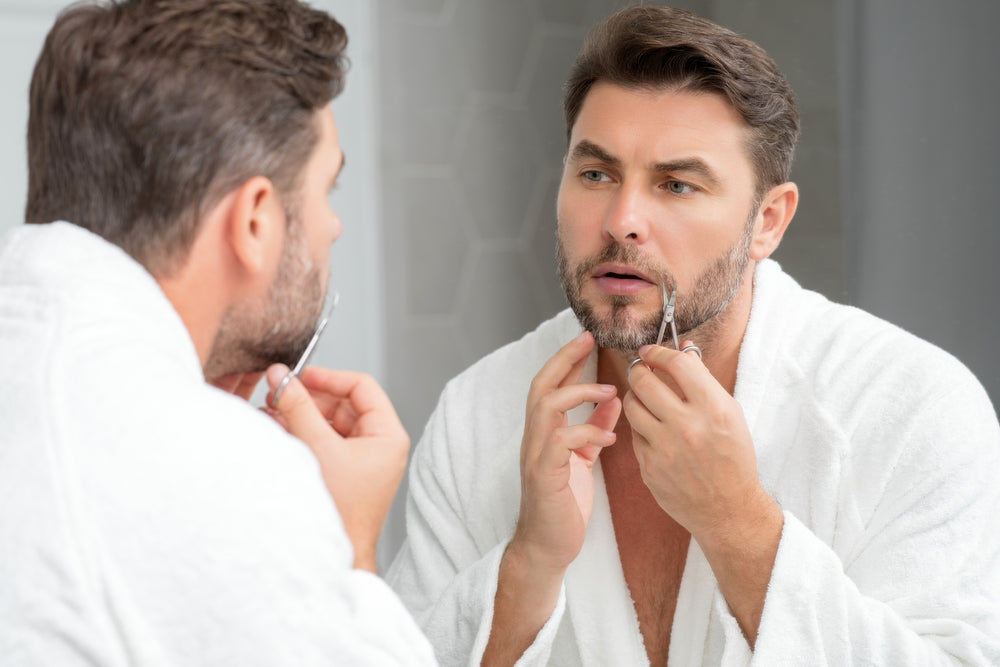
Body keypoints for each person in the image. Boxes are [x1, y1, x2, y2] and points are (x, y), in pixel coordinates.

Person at [386, 5, 1000, 665]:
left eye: (676, 185)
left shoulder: (912, 409)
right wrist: (530, 562)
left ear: (767, 220)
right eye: (596, 174)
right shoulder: (477, 414)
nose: (623, 220)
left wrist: (740, 527)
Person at [0, 1, 435, 664]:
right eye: (327, 188)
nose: (333, 227)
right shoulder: (228, 478)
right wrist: (351, 546)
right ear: (256, 220)